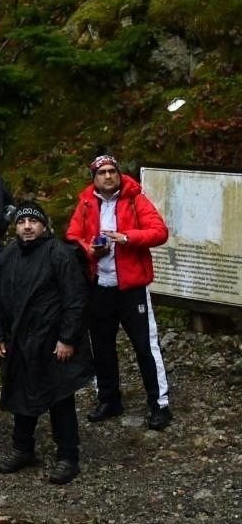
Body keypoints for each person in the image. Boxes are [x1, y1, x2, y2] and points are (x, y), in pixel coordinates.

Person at [60, 154, 173, 428]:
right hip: (99, 285)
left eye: (112, 171)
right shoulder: (86, 203)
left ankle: (159, 404)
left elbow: (159, 232)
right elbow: (72, 237)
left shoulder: (135, 199)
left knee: (145, 347)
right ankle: (109, 399)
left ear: (119, 174)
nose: (108, 176)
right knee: (102, 347)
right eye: (102, 173)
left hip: (132, 288)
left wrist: (127, 237)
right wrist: (90, 250)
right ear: (94, 178)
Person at [0, 204, 94, 484]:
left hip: (52, 341)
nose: (27, 226)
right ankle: (23, 449)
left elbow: (75, 298)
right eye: (22, 221)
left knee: (60, 398)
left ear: (44, 226)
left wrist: (67, 338)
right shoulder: (8, 254)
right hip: (18, 340)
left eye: (33, 221)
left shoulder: (58, 253)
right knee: (20, 395)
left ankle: (68, 456)